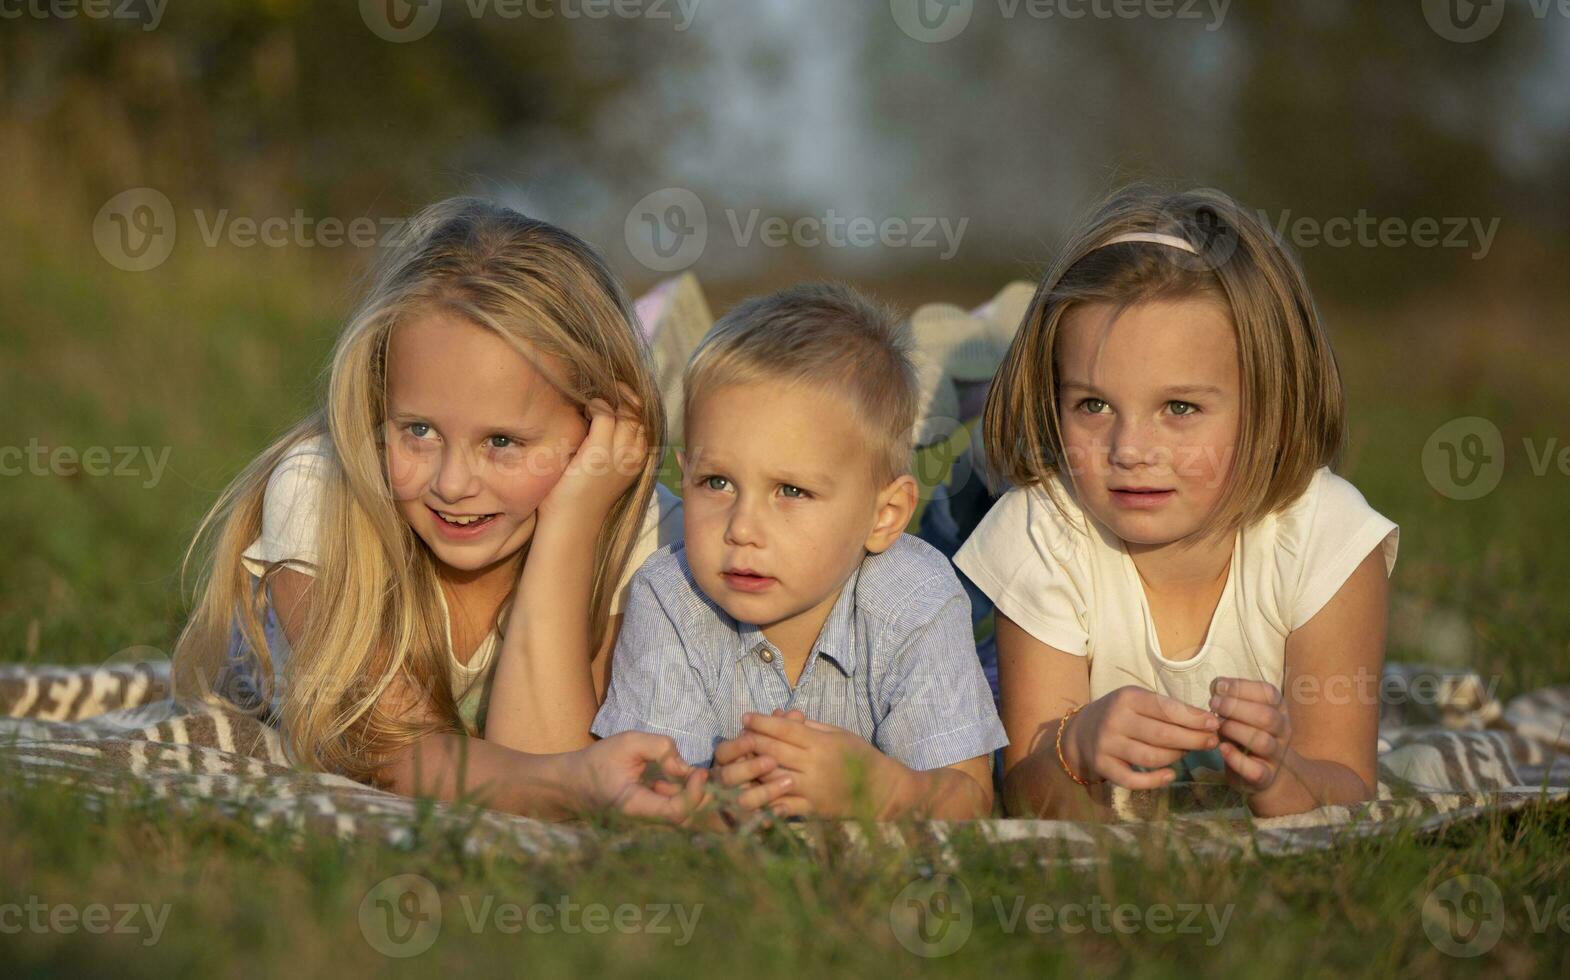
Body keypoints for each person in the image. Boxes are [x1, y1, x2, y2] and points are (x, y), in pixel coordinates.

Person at [171, 197, 724, 822]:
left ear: (595, 431)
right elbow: (402, 754)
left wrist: (573, 522)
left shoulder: (652, 534)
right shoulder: (323, 491)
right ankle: (649, 341)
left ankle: (655, 345)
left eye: (502, 442)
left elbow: (541, 763)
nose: (454, 484)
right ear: (377, 404)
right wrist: (575, 780)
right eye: (419, 431)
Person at [955, 185, 1398, 818]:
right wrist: (1068, 752)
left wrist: (1282, 775)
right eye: (1093, 404)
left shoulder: (1326, 538)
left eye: (1180, 407)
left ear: (1270, 405)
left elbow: (1349, 786)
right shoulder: (1041, 530)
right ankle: (960, 415)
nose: (1131, 449)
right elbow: (1026, 796)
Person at [592, 283, 1007, 819]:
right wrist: (718, 807)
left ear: (883, 517)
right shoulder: (669, 595)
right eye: (716, 482)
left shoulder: (916, 597)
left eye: (791, 491)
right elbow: (644, 795)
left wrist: (878, 789)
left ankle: (978, 423)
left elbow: (970, 800)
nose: (742, 529)